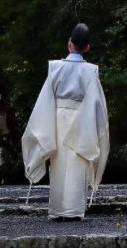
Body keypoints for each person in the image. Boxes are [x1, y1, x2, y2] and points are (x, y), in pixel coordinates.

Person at [22, 23, 109, 220]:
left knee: (58, 163)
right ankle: (75, 210)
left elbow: (45, 99)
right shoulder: (91, 71)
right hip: (82, 120)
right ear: (87, 48)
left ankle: (58, 210)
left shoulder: (55, 67)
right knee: (78, 161)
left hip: (57, 119)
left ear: (69, 44)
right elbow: (96, 103)